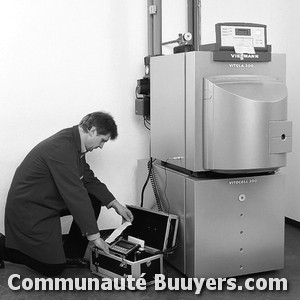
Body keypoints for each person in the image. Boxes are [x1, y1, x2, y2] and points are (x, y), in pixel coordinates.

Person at [0, 111, 133, 276]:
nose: (101, 146)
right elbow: (75, 194)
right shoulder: (62, 148)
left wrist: (115, 204)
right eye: (102, 140)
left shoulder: (73, 143)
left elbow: (88, 179)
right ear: (92, 130)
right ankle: (2, 248)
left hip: (45, 201)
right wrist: (95, 237)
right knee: (52, 268)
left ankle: (71, 254)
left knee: (93, 200)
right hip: (30, 209)